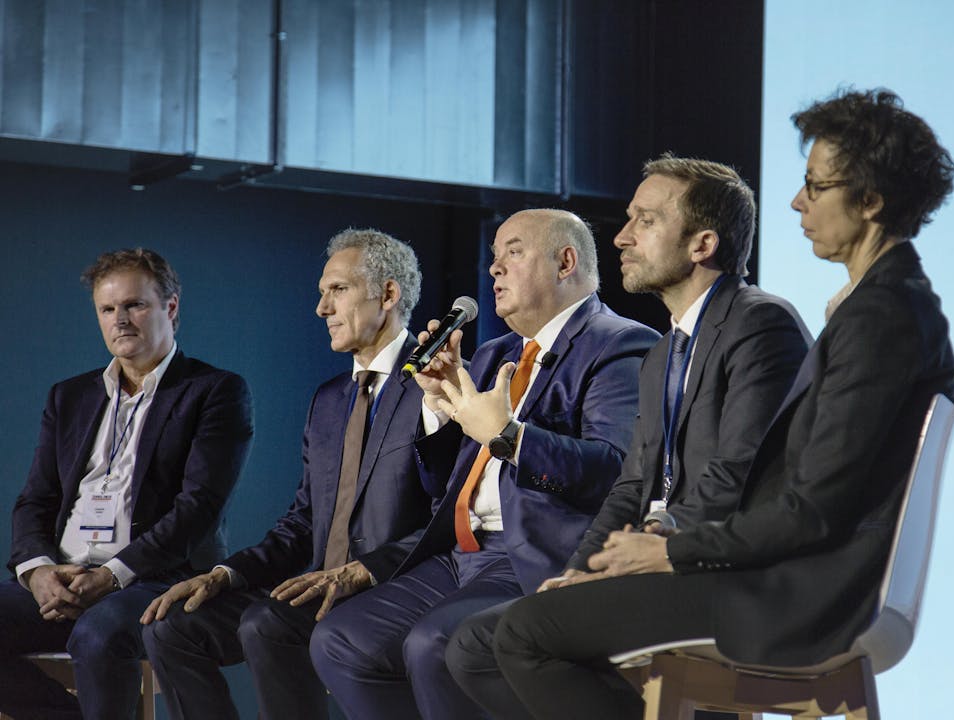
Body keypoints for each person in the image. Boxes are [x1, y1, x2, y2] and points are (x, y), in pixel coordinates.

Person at [488, 88, 954, 719]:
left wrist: (667, 551)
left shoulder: (882, 317)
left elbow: (811, 508)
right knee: (518, 627)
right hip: (791, 575)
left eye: (816, 187)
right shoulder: (881, 306)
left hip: (808, 592)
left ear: (870, 201)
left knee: (524, 634)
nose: (797, 200)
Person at [445, 156, 812, 717]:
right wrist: (579, 571)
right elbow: (633, 483)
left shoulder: (761, 324)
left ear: (701, 244)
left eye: (645, 221)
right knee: (474, 645)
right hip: (669, 568)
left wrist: (654, 545)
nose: (621, 237)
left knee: (520, 634)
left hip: (732, 577)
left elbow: (736, 475)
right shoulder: (667, 350)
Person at [309, 208, 660, 720]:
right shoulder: (496, 353)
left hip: (531, 556)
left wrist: (508, 436)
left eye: (512, 253)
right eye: (493, 258)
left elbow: (611, 469)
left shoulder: (620, 343)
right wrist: (437, 406)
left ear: (565, 262)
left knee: (432, 644)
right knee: (340, 639)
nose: (494, 269)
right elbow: (442, 485)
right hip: (459, 555)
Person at [139, 229, 432, 720]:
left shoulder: (439, 383)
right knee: (171, 625)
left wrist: (365, 570)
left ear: (387, 294)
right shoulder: (329, 399)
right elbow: (300, 524)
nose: (322, 309)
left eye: (337, 290)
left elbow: (450, 520)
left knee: (265, 623)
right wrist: (224, 574)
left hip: (390, 591)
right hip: (316, 591)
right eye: (322, 293)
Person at [0, 248, 253, 720]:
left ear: (170, 308)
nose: (121, 320)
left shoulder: (214, 391)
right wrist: (38, 574)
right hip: (66, 576)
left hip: (155, 579)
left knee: (98, 634)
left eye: (135, 305)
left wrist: (110, 576)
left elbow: (198, 509)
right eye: (108, 309)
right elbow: (36, 499)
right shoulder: (70, 395)